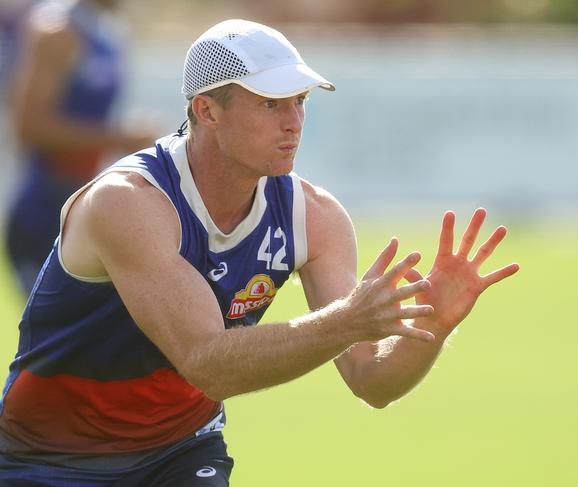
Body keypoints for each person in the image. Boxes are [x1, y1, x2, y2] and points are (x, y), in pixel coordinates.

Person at [0, 18, 519, 486]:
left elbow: (373, 380)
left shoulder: (316, 216)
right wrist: (348, 321)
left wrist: (434, 327)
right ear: (207, 111)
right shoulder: (129, 203)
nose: (294, 121)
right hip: (44, 457)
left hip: (178, 453)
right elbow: (207, 363)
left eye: (301, 101)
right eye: (271, 103)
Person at [3, 0, 153, 294]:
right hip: (45, 209)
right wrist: (120, 138)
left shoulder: (106, 31)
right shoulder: (56, 30)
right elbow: (29, 127)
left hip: (87, 205)